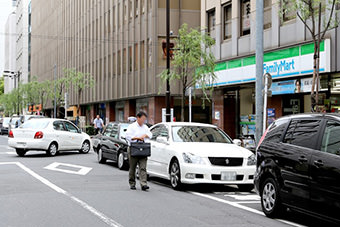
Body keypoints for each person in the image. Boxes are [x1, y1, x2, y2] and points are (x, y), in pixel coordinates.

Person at [125, 111, 152, 191]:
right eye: (143, 119)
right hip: (134, 148)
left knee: (143, 167)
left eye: (145, 119)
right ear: (138, 118)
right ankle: (132, 183)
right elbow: (128, 136)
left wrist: (145, 135)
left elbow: (150, 134)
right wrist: (138, 138)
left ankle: (143, 184)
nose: (143, 121)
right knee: (132, 167)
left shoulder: (145, 127)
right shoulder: (132, 126)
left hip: (143, 149)